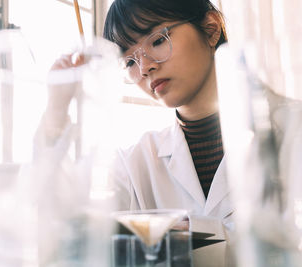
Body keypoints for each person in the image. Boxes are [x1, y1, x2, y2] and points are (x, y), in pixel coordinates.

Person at [35, 0, 233, 266]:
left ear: (211, 29)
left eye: (157, 41)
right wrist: (56, 111)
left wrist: (190, 238)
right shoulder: (137, 161)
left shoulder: (291, 130)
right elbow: (59, 227)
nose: (144, 68)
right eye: (129, 60)